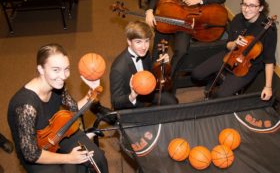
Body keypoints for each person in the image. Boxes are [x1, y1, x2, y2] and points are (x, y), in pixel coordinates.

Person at [7, 43, 108, 173]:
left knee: (98, 158)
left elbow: (74, 108)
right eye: (56, 69)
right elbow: (31, 154)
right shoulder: (26, 106)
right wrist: (69, 158)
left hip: (57, 131)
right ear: (41, 69)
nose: (64, 75)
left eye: (66, 69)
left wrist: (92, 92)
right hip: (36, 151)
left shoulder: (57, 84)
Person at [145, 0, 226, 77]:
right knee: (157, 47)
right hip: (169, 19)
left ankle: (168, 76)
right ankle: (151, 75)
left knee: (182, 51)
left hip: (186, 25)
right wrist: (150, 10)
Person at [191, 0, 277, 100]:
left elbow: (269, 60)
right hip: (232, 54)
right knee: (197, 73)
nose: (246, 9)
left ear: (260, 8)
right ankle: (215, 80)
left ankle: (221, 88)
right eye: (244, 4)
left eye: (252, 6)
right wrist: (234, 43)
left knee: (221, 95)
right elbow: (228, 45)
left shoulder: (269, 30)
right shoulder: (237, 19)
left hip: (249, 66)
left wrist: (268, 87)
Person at [110, 21, 178, 110]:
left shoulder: (144, 53)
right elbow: (116, 102)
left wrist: (160, 63)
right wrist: (132, 95)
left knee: (172, 102)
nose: (144, 47)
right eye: (138, 42)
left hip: (147, 89)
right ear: (129, 41)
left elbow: (150, 70)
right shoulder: (118, 68)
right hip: (132, 100)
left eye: (146, 41)